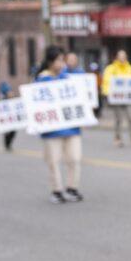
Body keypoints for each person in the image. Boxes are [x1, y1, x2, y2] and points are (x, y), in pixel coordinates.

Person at [36, 47, 84, 203]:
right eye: (59, 60)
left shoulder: (69, 78)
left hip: (71, 126)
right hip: (52, 129)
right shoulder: (42, 79)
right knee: (54, 161)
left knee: (74, 158)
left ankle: (72, 188)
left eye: (63, 60)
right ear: (50, 62)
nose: (62, 63)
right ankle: (56, 190)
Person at [101, 49, 131, 147]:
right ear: (117, 57)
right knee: (118, 119)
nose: (122, 58)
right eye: (120, 56)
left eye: (124, 56)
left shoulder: (130, 69)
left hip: (128, 98)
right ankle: (117, 138)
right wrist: (107, 93)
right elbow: (106, 81)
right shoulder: (110, 69)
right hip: (117, 98)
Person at [0, 80, 18, 151]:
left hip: (13, 119)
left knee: (13, 132)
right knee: (6, 132)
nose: (11, 93)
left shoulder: (14, 101)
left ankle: (8, 144)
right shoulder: (3, 101)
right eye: (9, 92)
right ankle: (7, 145)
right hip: (6, 119)